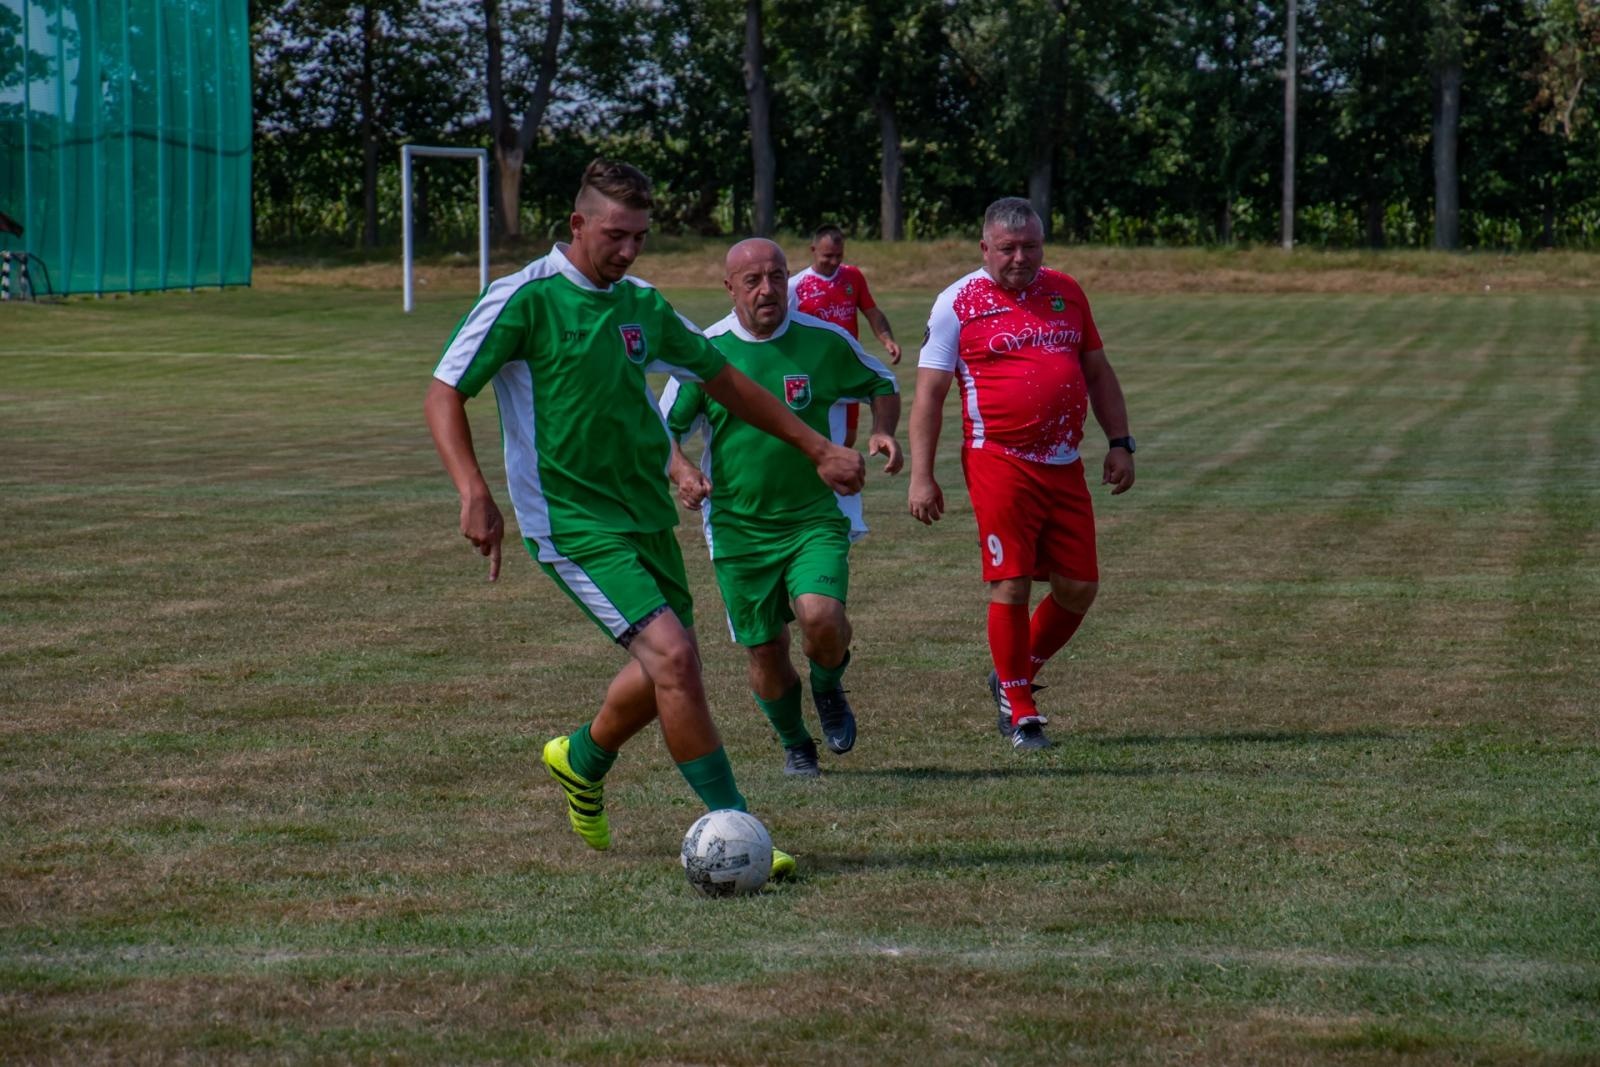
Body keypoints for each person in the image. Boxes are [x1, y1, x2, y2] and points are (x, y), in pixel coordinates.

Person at [425, 160, 865, 876]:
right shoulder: (524, 299)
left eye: (640, 238)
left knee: (664, 666)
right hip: (571, 521)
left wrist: (816, 445)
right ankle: (738, 830)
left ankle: (582, 756)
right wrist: (472, 488)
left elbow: (727, 381)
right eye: (615, 235)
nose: (628, 251)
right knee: (676, 659)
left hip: (645, 515)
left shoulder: (642, 304)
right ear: (576, 225)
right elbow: (444, 391)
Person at [661, 239, 902, 777]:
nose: (768, 290)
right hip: (737, 528)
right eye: (753, 281)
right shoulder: (706, 352)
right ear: (729, 288)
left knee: (821, 615)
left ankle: (827, 684)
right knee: (765, 650)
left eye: (777, 277)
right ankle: (796, 745)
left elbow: (880, 382)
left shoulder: (823, 341)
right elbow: (664, 431)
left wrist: (884, 430)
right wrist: (682, 471)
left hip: (815, 517)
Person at [907, 197, 1136, 751]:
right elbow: (929, 395)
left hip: (1064, 462)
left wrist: (1121, 442)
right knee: (1008, 582)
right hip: (999, 460)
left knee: (1078, 586)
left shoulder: (1067, 291)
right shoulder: (956, 302)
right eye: (1006, 248)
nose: (1019, 258)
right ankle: (1021, 710)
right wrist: (922, 475)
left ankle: (1012, 670)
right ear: (984, 247)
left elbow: (1097, 371)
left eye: (1029, 247)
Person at [788, 225, 902, 449]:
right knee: (815, 432)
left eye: (838, 256)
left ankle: (838, 480)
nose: (833, 262)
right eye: (827, 256)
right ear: (813, 249)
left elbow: (871, 311)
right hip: (813, 371)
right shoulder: (796, 286)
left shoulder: (852, 276)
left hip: (847, 367)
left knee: (848, 436)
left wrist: (887, 339)